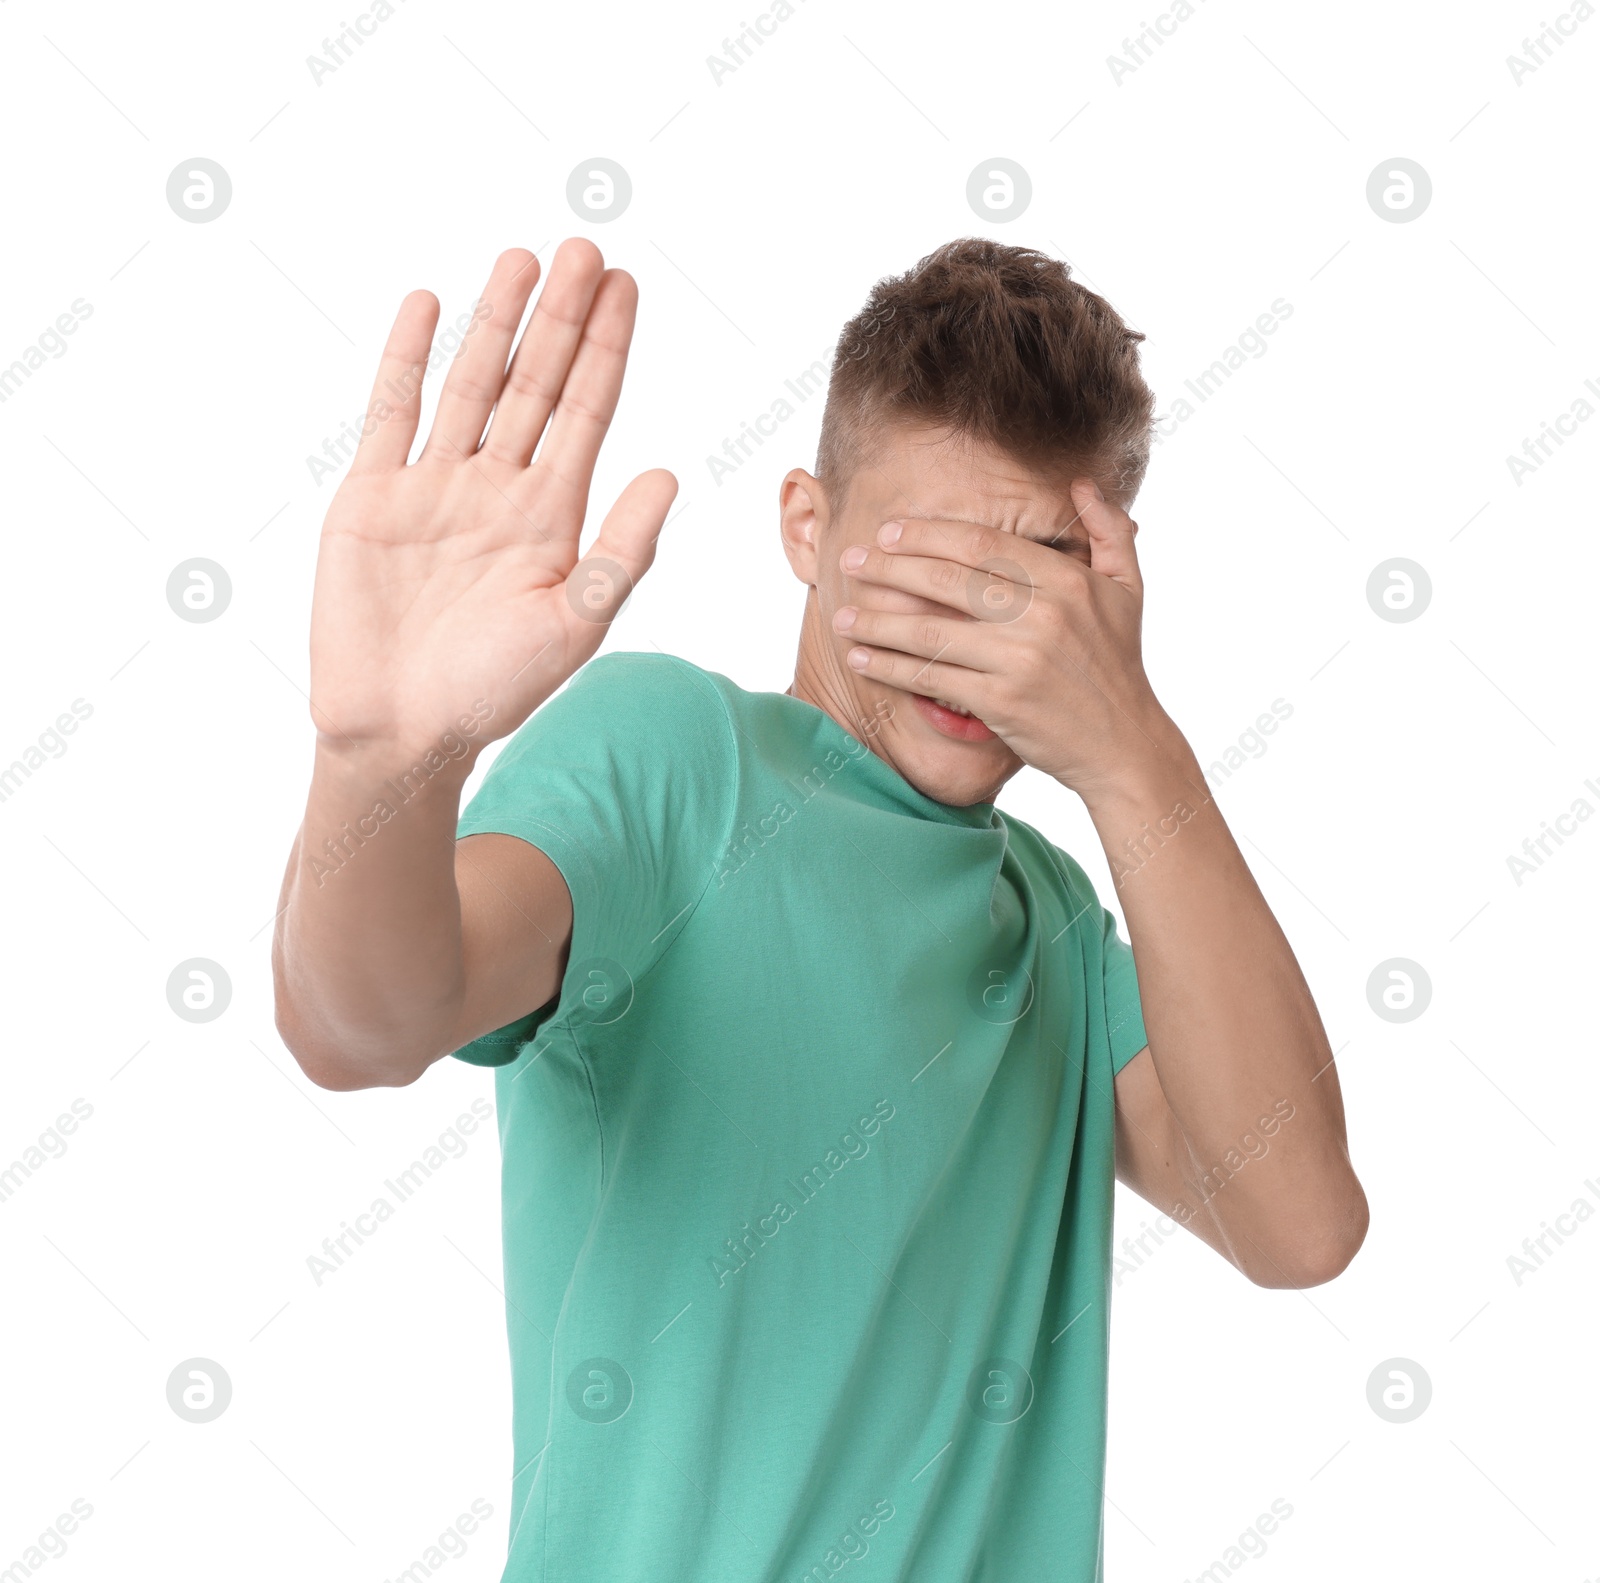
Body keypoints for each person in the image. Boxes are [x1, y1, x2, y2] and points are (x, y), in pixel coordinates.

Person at [273, 235, 1367, 1581]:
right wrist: (386, 766)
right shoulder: (676, 757)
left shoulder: (1058, 925)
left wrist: (1137, 754)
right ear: (809, 525)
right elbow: (365, 1024)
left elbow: (1302, 1225)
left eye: (1030, 580)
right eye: (924, 571)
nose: (968, 632)